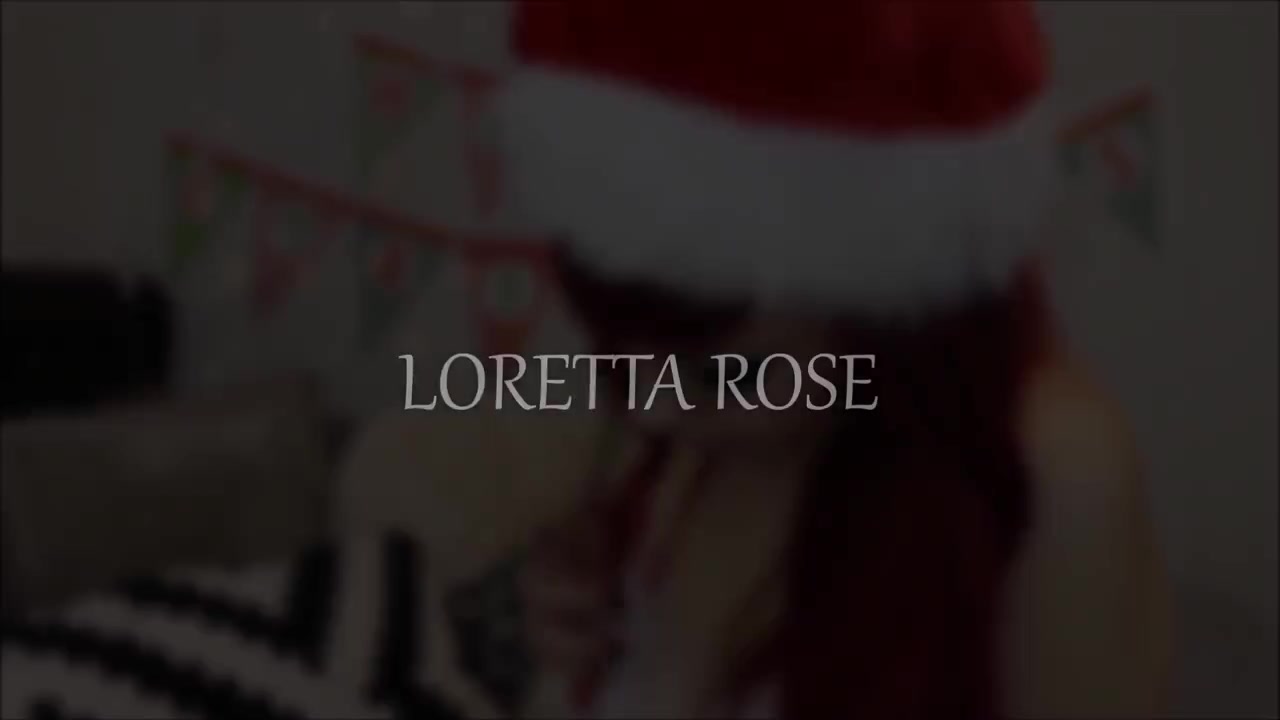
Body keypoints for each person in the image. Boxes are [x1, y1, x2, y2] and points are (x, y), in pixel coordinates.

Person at [343, 2, 1173, 718]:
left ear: (880, 300)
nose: (652, 407)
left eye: (718, 373)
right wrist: (578, 622)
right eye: (617, 357)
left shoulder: (1053, 465)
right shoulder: (695, 435)